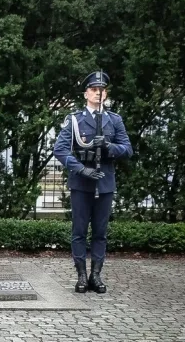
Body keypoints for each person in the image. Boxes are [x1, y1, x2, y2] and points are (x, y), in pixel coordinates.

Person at [54, 71, 133, 294]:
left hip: (105, 183)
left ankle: (95, 275)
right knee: (79, 231)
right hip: (81, 183)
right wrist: (81, 169)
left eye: (102, 90)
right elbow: (60, 149)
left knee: (100, 232)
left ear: (105, 93)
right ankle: (80, 276)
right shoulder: (75, 120)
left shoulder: (114, 120)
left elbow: (128, 149)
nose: (98, 94)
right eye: (94, 90)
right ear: (86, 93)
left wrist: (109, 146)